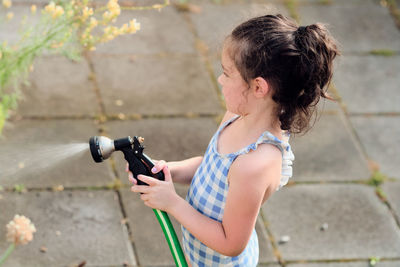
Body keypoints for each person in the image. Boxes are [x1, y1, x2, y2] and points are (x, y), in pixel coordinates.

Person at [127, 14, 340, 266]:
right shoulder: (237, 116)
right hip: (199, 254)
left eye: (227, 73)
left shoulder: (256, 163)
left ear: (258, 88)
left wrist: (172, 203)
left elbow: (231, 243)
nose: (220, 79)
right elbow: (211, 167)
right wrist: (166, 170)